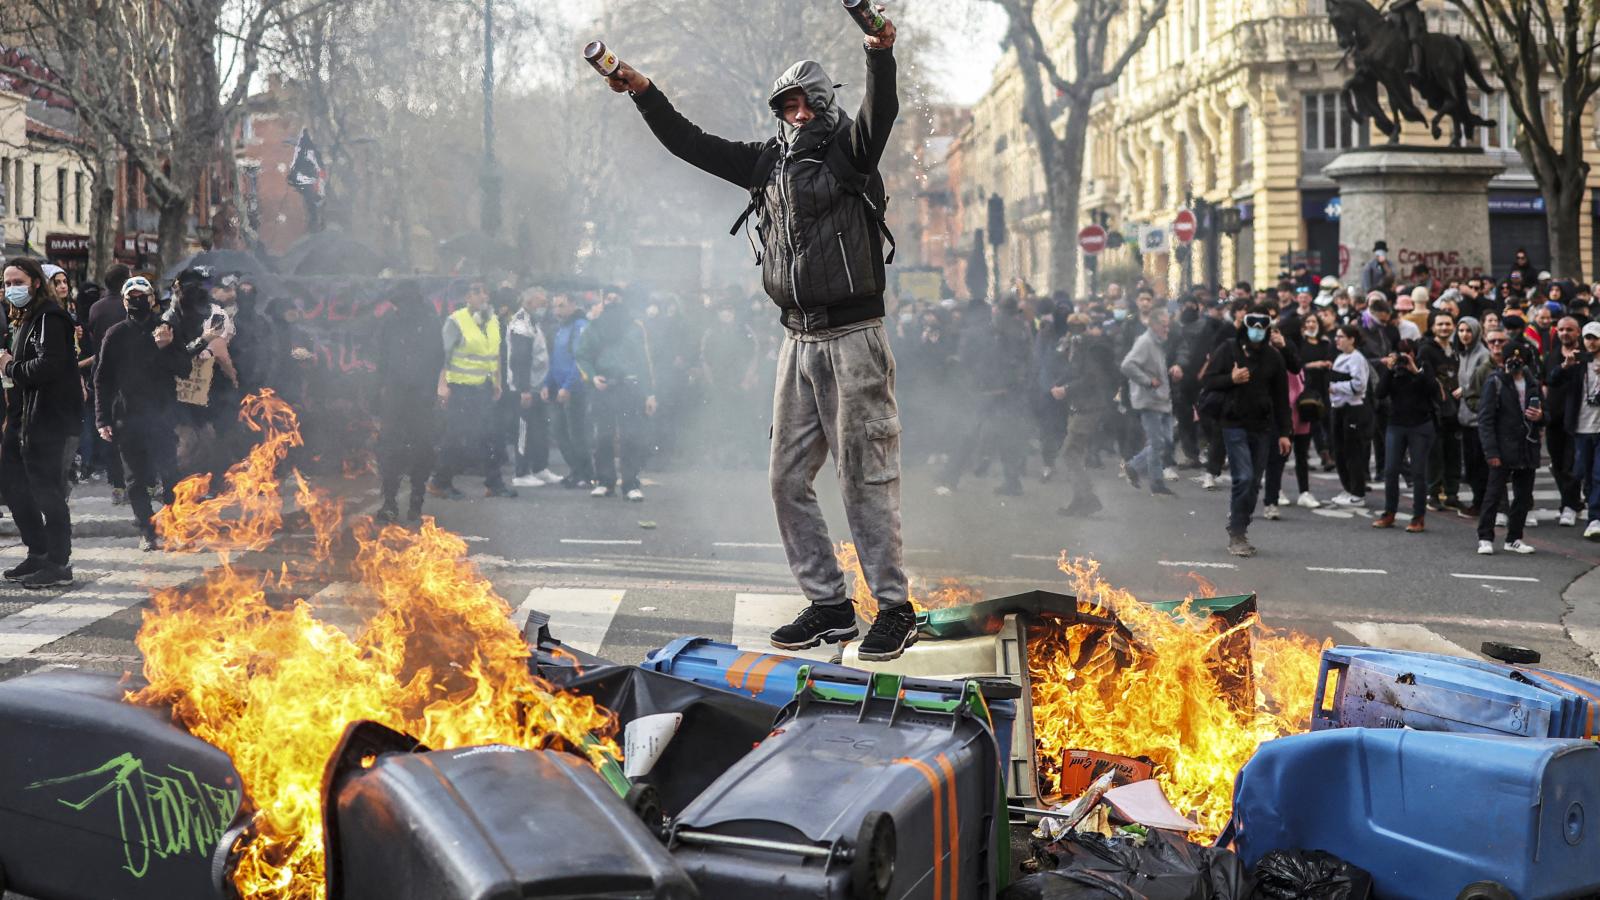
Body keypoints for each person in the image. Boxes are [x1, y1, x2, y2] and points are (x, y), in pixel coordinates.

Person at [606, 14, 916, 659]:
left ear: (824, 104)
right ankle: (831, 604)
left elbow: (880, 108)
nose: (795, 113)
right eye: (785, 105)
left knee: (865, 475)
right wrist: (642, 90)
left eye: (804, 102)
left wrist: (878, 53)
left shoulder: (850, 152)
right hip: (795, 341)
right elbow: (689, 143)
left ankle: (895, 607)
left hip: (854, 336)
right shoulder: (765, 165)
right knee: (785, 479)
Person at [0, 257, 84, 587]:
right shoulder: (25, 319)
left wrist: (10, 367)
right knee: (12, 484)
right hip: (22, 418)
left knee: (47, 491)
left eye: (18, 282)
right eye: (7, 283)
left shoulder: (50, 317)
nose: (11, 289)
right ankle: (38, 550)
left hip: (47, 420)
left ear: (36, 282)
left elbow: (48, 366)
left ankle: (58, 562)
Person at [92, 275, 187, 549]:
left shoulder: (166, 329)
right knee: (135, 480)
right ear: (123, 302)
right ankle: (147, 530)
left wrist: (167, 348)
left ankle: (174, 526)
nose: (136, 302)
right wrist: (102, 419)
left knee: (169, 475)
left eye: (141, 297)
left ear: (152, 300)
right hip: (128, 417)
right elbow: (103, 378)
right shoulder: (116, 334)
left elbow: (184, 368)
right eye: (130, 298)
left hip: (161, 415)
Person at [1200, 306, 1292, 557]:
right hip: (1233, 424)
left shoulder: (1274, 357)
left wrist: (1285, 433)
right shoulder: (1228, 349)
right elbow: (1208, 381)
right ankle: (1237, 533)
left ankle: (1242, 523)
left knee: (1253, 484)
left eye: (1263, 328)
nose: (1257, 333)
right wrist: (1230, 379)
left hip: (1262, 427)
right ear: (1245, 328)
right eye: (1253, 328)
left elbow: (1282, 398)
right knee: (1244, 477)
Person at [430, 280, 516, 500]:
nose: (482, 296)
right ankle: (440, 482)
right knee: (457, 436)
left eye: (485, 292)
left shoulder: (493, 321)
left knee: (491, 435)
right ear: (466, 297)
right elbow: (442, 355)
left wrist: (496, 382)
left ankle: (494, 484)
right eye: (476, 292)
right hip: (460, 388)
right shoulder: (456, 321)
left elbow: (494, 354)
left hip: (483, 388)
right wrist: (442, 385)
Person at [374, 283, 446, 523]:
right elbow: (382, 357)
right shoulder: (392, 323)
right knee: (398, 448)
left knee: (416, 447)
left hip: (416, 396)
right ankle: (396, 500)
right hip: (402, 395)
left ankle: (409, 499)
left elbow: (437, 357)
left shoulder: (427, 323)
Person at [578, 292, 657, 501]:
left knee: (630, 436)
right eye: (609, 298)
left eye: (617, 298)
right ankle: (605, 482)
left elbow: (644, 361)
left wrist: (650, 394)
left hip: (629, 388)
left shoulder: (635, 327)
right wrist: (593, 378)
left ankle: (630, 484)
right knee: (602, 436)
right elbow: (582, 356)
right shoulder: (593, 328)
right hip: (603, 388)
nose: (613, 302)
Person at [1476, 338, 1543, 554]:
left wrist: (1541, 416)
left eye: (1519, 358)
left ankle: (1514, 537)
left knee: (1523, 496)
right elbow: (1485, 419)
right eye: (1510, 358)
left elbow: (1546, 414)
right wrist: (1491, 451)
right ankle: (1485, 537)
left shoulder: (1532, 382)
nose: (1515, 362)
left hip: (1527, 445)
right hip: (1503, 447)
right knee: (1493, 494)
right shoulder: (1495, 381)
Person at [1372, 339, 1439, 532]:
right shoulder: (1394, 372)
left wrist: (1415, 370)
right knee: (1391, 470)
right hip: (1396, 425)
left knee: (1418, 473)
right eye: (1399, 354)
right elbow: (1379, 393)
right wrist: (1389, 369)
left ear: (1414, 353)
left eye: (1406, 354)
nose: (1403, 358)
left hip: (1420, 425)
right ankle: (1389, 513)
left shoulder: (1423, 368)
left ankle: (1418, 517)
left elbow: (1432, 390)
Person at [1120, 307, 1176, 496]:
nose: (1167, 330)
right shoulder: (1145, 342)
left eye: (1169, 326)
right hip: (1149, 400)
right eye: (1164, 326)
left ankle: (1134, 466)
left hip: (1162, 399)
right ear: (1154, 325)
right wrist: (1147, 381)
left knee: (1167, 440)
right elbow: (1127, 365)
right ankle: (1156, 483)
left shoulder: (1159, 343)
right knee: (1158, 442)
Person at [507, 288, 558, 488]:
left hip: (536, 385)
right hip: (525, 387)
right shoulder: (521, 323)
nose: (544, 308)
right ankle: (521, 472)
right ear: (529, 302)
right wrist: (524, 389)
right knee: (524, 429)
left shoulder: (532, 322)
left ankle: (539, 468)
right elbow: (520, 358)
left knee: (539, 429)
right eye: (541, 303)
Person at [1544, 316, 1586, 526]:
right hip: (1553, 418)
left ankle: (1569, 505)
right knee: (1558, 464)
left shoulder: (1585, 356)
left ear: (1578, 332)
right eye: (1561, 329)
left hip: (1578, 418)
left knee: (1572, 465)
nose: (1564, 333)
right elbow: (1547, 382)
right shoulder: (1552, 356)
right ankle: (1571, 502)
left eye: (1569, 329)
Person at [1328, 325, 1373, 507]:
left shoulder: (1357, 359)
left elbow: (1359, 385)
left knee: (1353, 451)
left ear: (1352, 339)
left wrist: (1336, 387)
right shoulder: (1341, 357)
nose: (1337, 340)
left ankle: (1358, 492)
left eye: (1341, 336)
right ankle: (1348, 488)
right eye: (1336, 337)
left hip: (1353, 410)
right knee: (1339, 450)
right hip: (1338, 408)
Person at [1420, 311, 1462, 510]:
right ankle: (1433, 494)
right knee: (1435, 453)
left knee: (1454, 452)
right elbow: (1426, 379)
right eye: (1440, 324)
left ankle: (1452, 493)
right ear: (1433, 327)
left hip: (1458, 410)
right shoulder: (1426, 350)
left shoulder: (1457, 348)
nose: (1444, 327)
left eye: (1448, 324)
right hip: (1435, 410)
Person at [1563, 321, 1600, 539]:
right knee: (1583, 472)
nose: (1591, 342)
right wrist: (1565, 365)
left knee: (1598, 474)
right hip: (1582, 426)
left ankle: (1595, 517)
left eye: (1595, 337)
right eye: (1588, 338)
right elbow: (1554, 380)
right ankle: (1590, 505)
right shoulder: (1578, 363)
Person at [1456, 316, 1492, 516]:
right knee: (1470, 464)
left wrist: (1464, 389)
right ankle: (1479, 500)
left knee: (1480, 465)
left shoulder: (1483, 354)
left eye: (1468, 330)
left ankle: (1482, 502)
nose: (1464, 335)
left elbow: (1480, 383)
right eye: (1461, 331)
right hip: (1465, 417)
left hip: (1479, 418)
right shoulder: (1462, 353)